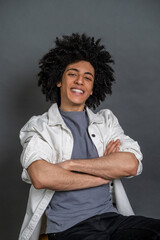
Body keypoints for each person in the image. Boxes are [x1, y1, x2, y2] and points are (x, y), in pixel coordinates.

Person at [19, 33, 160, 240]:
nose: (80, 81)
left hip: (112, 219)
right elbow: (41, 177)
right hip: (70, 228)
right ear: (59, 79)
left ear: (93, 88)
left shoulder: (106, 121)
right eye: (72, 74)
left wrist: (68, 165)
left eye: (88, 77)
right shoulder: (40, 126)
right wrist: (105, 171)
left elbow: (130, 164)